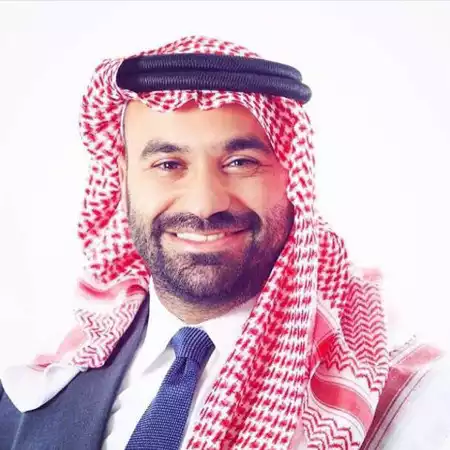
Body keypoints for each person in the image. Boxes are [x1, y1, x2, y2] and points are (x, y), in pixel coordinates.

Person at [0, 35, 448, 450]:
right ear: (123, 177)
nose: (205, 203)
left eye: (240, 162)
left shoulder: (413, 403)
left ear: (293, 175)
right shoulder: (39, 380)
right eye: (168, 164)